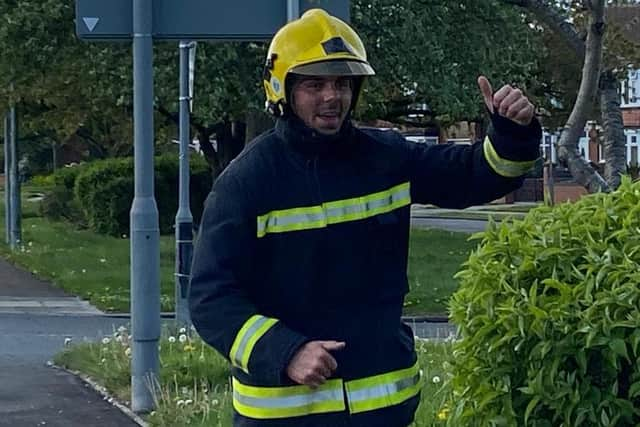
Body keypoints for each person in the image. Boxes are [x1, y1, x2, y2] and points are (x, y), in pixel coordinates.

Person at [189, 8, 541, 427]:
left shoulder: (386, 157)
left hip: (384, 411)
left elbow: (478, 175)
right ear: (281, 90)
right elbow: (211, 298)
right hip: (285, 416)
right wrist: (284, 352)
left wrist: (513, 132)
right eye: (314, 84)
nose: (331, 97)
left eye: (342, 83)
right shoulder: (246, 183)